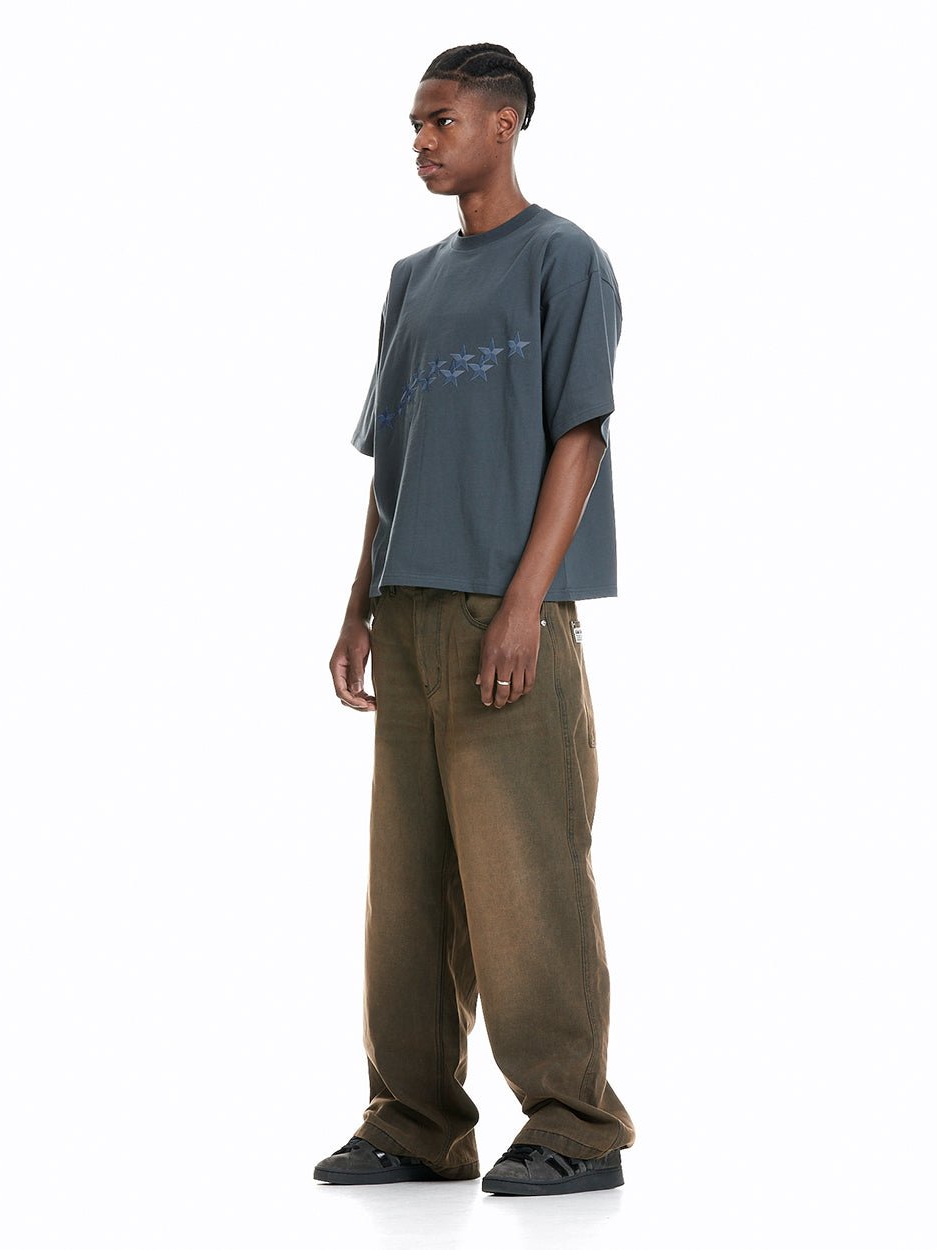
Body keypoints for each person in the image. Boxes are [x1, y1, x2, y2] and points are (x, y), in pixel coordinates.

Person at [316, 43, 636, 1198]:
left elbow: (578, 437)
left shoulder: (563, 257)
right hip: (407, 614)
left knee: (526, 879)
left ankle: (576, 1125)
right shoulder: (411, 278)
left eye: (440, 120)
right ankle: (413, 1120)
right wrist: (357, 603)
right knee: (406, 888)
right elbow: (390, 460)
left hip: (507, 617)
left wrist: (523, 605)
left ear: (504, 123)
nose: (421, 141)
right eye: (414, 124)